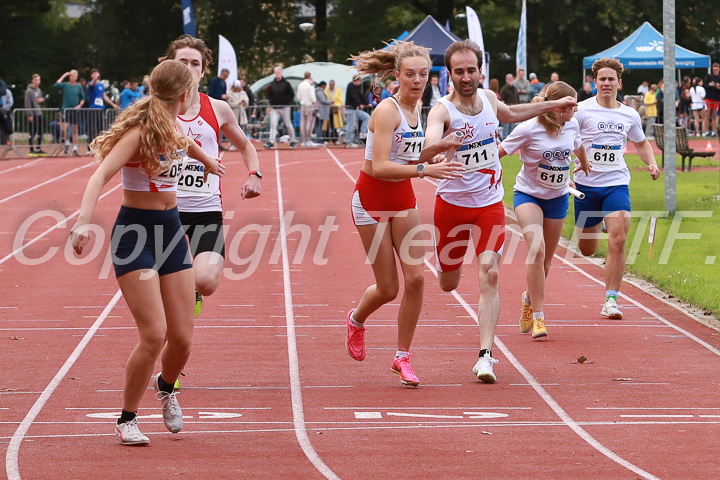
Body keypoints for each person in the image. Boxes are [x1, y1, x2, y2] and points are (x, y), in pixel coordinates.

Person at [69, 60, 225, 446]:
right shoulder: (140, 132)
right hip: (135, 235)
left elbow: (182, 141)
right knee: (154, 334)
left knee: (183, 338)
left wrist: (207, 160)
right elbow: (100, 174)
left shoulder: (170, 125)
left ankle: (166, 386)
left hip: (171, 233)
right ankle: (127, 418)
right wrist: (83, 221)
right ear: (185, 94)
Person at [424, 39, 577, 383]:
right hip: (451, 205)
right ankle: (451, 267)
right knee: (449, 283)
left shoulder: (491, 100)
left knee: (491, 273)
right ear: (449, 74)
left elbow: (511, 114)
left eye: (471, 70)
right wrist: (437, 149)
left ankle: (485, 356)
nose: (466, 76)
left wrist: (553, 103)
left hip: (490, 204)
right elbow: (428, 142)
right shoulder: (442, 110)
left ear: (481, 71)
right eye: (459, 71)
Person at [346, 41, 464, 387]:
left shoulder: (420, 110)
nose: (417, 80)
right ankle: (355, 320)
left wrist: (436, 149)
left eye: (423, 74)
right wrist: (425, 170)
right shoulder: (387, 110)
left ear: (430, 76)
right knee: (388, 288)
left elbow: (409, 153)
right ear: (396, 76)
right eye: (410, 74)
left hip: (402, 200)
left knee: (416, 279)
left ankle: (402, 356)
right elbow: (381, 166)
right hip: (370, 200)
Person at [160, 34, 262, 324]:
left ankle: (192, 291)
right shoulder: (156, 110)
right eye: (184, 62)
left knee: (205, 281)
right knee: (163, 292)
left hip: (206, 209)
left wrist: (255, 174)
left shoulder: (217, 108)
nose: (190, 68)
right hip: (167, 210)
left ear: (203, 71)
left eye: (196, 63)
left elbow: (245, 145)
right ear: (171, 65)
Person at [498, 81, 590, 339]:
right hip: (528, 195)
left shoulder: (572, 124)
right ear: (559, 106)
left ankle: (529, 297)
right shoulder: (529, 128)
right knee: (535, 249)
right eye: (572, 104)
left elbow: (577, 144)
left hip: (558, 197)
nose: (576, 108)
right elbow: (501, 151)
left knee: (546, 262)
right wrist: (481, 169)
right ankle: (538, 317)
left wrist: (582, 164)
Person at [573, 58, 660, 319]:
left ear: (619, 83)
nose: (607, 83)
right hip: (586, 186)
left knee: (619, 238)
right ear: (594, 82)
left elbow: (642, 144)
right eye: (602, 79)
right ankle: (597, 221)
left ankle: (611, 299)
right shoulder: (581, 111)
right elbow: (566, 140)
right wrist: (566, 168)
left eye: (611, 79)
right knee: (587, 248)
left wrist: (653, 163)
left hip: (616, 183)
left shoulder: (629, 114)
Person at [54, 69, 85, 155]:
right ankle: (67, 143)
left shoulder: (79, 87)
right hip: (66, 110)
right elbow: (56, 85)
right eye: (73, 76)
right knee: (63, 129)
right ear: (70, 77)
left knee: (75, 130)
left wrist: (80, 105)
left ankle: (75, 148)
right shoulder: (65, 85)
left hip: (75, 110)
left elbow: (83, 98)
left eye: (76, 76)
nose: (74, 78)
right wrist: (64, 75)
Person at [264, 66, 296, 148]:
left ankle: (293, 140)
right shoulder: (272, 84)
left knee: (288, 124)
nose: (277, 74)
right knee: (273, 124)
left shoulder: (286, 84)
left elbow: (291, 94)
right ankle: (271, 142)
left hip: (285, 108)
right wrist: (271, 101)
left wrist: (286, 101)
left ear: (281, 73)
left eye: (278, 72)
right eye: (276, 72)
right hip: (275, 108)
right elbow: (269, 95)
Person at [87, 69, 120, 144]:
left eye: (97, 73)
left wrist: (113, 104)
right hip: (93, 108)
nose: (96, 75)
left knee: (100, 127)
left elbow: (104, 96)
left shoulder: (101, 85)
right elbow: (92, 84)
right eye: (94, 73)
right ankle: (89, 146)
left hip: (101, 108)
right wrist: (95, 78)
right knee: (92, 127)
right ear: (92, 75)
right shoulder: (90, 83)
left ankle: (99, 144)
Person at [25, 74, 47, 156]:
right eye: (36, 80)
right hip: (33, 113)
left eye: (39, 80)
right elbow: (27, 103)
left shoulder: (39, 90)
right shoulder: (29, 91)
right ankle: (31, 149)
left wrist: (42, 100)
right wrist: (29, 114)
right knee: (32, 132)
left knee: (40, 131)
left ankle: (38, 148)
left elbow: (40, 100)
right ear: (32, 80)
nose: (37, 82)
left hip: (38, 112)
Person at [344, 75, 370, 148]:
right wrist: (359, 104)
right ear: (356, 80)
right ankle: (349, 142)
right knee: (351, 125)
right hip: (351, 109)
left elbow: (360, 95)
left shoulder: (357, 87)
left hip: (355, 109)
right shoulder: (351, 86)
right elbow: (354, 96)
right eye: (359, 81)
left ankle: (362, 132)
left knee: (366, 117)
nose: (360, 83)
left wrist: (367, 103)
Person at [296, 71, 318, 147]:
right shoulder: (310, 84)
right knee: (310, 122)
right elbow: (312, 96)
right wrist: (315, 105)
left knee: (302, 123)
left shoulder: (300, 85)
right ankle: (308, 140)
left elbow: (298, 97)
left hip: (303, 105)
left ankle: (303, 140)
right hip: (310, 105)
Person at [499, 73, 520, 139]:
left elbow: (517, 98)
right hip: (507, 110)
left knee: (512, 127)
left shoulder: (515, 88)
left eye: (511, 79)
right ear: (506, 80)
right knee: (506, 127)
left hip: (514, 109)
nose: (510, 80)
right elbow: (502, 100)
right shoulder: (504, 89)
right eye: (509, 79)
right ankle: (505, 140)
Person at [703, 63, 720, 136]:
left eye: (717, 69)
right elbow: (704, 85)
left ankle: (714, 131)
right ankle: (706, 131)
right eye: (714, 70)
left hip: (716, 98)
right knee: (707, 114)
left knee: (714, 115)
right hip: (709, 98)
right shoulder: (709, 76)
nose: (715, 71)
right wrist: (709, 85)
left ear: (719, 69)